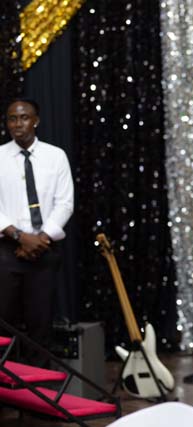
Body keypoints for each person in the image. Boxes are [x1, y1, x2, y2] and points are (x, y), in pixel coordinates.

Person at [0, 98, 74, 366]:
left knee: (40, 324)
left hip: (44, 249)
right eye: (12, 119)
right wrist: (20, 237)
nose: (17, 124)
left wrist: (40, 240)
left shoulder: (56, 156)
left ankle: (39, 387)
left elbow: (65, 203)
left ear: (36, 121)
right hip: (6, 250)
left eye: (24, 117)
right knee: (3, 323)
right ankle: (6, 384)